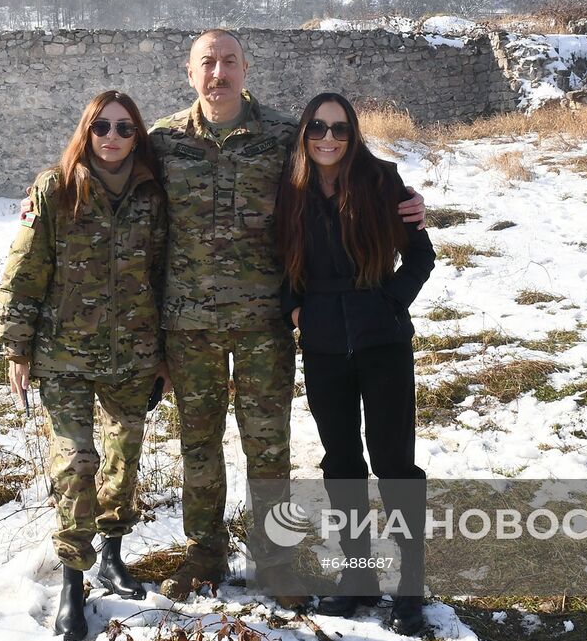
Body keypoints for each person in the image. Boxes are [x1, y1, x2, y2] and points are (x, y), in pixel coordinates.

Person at [148, 30, 426, 606]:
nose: (218, 73)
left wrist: (405, 204)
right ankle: (203, 552)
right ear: (189, 71)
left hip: (263, 322)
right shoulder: (162, 141)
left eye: (229, 62)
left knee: (268, 447)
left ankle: (274, 562)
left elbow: (341, 181)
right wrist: (43, 196)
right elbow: (110, 179)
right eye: (207, 63)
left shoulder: (283, 138)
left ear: (246, 69)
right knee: (198, 443)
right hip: (189, 321)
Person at [0, 90, 167, 641]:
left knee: (123, 460)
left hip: (133, 354)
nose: (112, 138)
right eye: (102, 127)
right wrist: (17, 345)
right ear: (86, 131)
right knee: (74, 462)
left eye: (124, 128)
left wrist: (165, 351)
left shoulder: (152, 193)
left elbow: (166, 274)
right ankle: (74, 576)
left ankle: (112, 553)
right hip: (63, 353)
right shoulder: (56, 188)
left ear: (137, 134)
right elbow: (25, 269)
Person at [276, 92, 435, 635]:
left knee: (395, 464)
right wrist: (296, 311)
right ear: (304, 131)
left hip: (382, 343)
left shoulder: (382, 181)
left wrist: (388, 304)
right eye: (318, 126)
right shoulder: (290, 189)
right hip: (322, 347)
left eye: (339, 128)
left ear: (353, 133)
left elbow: (421, 255)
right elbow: (278, 263)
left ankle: (409, 585)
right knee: (342, 462)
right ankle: (358, 575)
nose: (328, 137)